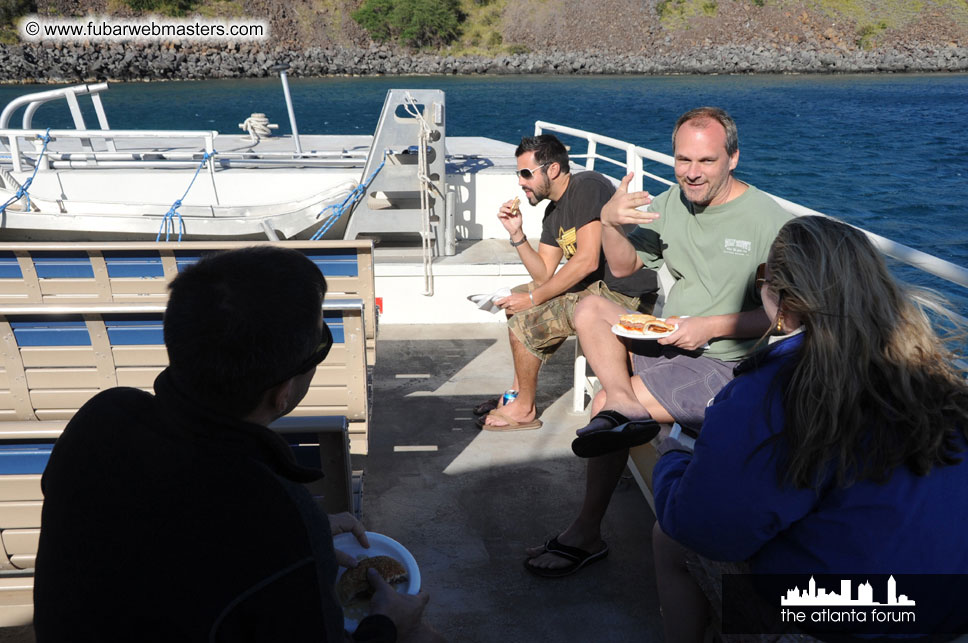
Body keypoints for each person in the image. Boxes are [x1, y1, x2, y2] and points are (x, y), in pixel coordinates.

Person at [34, 247, 439, 642]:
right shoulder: (274, 515)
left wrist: (305, 540)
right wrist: (388, 626)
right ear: (281, 394)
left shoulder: (103, 417)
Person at [651, 216, 968, 641]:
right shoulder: (932, 372)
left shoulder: (774, 390)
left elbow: (704, 528)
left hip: (855, 624)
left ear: (782, 301)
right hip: (946, 610)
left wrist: (672, 462)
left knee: (671, 538)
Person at [525, 107, 791, 576]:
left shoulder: (769, 222)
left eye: (706, 161)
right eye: (683, 159)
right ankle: (626, 406)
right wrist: (609, 223)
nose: (692, 173)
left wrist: (708, 327)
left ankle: (587, 531)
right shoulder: (672, 203)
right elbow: (625, 269)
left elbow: (782, 317)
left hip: (726, 362)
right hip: (675, 338)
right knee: (591, 309)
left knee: (602, 403)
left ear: (733, 158)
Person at [475, 133, 657, 430]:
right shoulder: (552, 213)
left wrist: (533, 300)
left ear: (553, 170)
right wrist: (517, 234)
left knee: (525, 316)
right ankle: (518, 393)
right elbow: (544, 274)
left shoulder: (588, 187)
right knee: (515, 298)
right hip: (594, 289)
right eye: (518, 174)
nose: (520, 182)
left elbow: (588, 260)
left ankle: (523, 410)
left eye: (526, 174)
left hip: (622, 295)